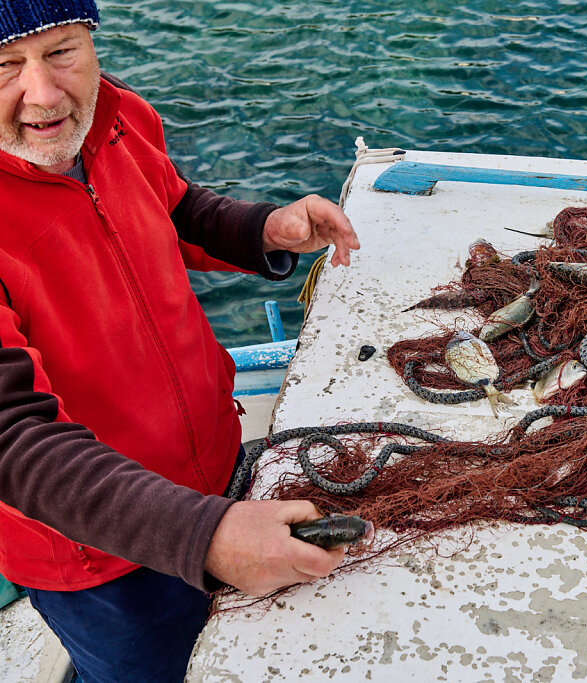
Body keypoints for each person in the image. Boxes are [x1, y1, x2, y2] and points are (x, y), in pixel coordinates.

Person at [0, 2, 360, 680]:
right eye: (4, 66)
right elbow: (11, 438)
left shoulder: (118, 117)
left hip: (216, 465)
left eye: (63, 51)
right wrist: (204, 535)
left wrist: (263, 229)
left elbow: (172, 206)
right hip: (98, 561)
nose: (44, 95)